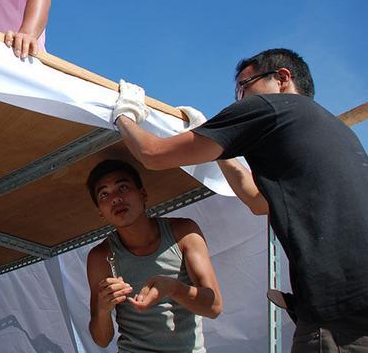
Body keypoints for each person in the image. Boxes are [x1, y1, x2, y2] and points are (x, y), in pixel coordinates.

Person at [110, 48, 368, 351]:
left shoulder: (269, 107)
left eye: (244, 87)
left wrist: (124, 115)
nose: (240, 101)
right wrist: (221, 148)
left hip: (339, 315)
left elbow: (152, 154)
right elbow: (257, 201)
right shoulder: (334, 131)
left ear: (282, 78)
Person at [86, 159, 222, 351]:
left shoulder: (183, 233)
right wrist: (103, 309)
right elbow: (101, 340)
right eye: (104, 194)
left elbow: (214, 306)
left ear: (143, 194)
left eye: (122, 187)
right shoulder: (100, 257)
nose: (115, 198)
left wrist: (172, 288)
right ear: (101, 212)